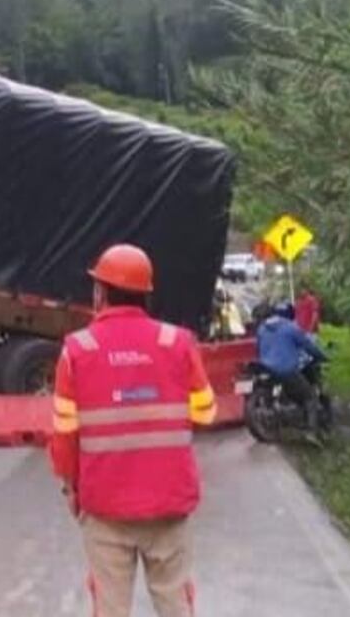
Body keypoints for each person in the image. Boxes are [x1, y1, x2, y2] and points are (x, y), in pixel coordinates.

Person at [50, 244, 216, 617]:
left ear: (100, 292)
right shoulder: (177, 342)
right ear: (146, 294)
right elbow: (206, 412)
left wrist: (72, 488)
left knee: (110, 606)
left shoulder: (78, 349)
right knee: (175, 601)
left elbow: (64, 435)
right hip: (169, 502)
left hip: (105, 506)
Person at [256, 302, 328, 437]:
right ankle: (311, 432)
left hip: (266, 368)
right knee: (310, 397)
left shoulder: (261, 329)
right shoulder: (290, 327)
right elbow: (308, 346)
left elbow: (258, 348)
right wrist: (323, 356)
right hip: (286, 369)